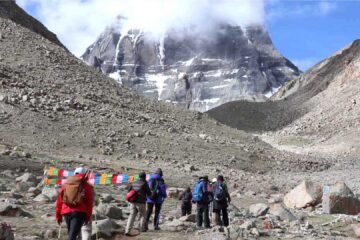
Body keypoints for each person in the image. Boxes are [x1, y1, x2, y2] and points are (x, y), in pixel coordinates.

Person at [55, 167, 93, 240]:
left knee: (71, 234)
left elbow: (59, 201)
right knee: (72, 236)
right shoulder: (86, 185)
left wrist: (58, 216)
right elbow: (89, 203)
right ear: (85, 174)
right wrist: (87, 217)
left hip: (66, 212)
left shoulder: (66, 183)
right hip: (79, 213)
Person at [125, 172, 151, 236]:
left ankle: (127, 230)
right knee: (143, 215)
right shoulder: (144, 183)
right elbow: (149, 193)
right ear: (144, 177)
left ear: (138, 177)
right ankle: (141, 229)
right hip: (141, 203)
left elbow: (129, 191)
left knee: (132, 216)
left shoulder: (133, 182)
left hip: (133, 202)